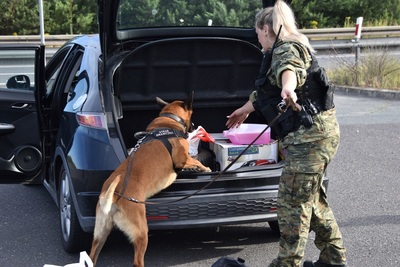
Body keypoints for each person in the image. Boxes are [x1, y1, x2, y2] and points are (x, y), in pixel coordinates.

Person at [225, 1, 347, 267]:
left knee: (292, 203)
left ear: (266, 29)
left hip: (309, 140)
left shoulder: (286, 48)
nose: (257, 39)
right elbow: (265, 92)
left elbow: (289, 71)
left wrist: (288, 88)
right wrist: (245, 109)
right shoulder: (287, 44)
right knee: (311, 200)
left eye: (257, 33)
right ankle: (333, 259)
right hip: (317, 136)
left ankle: (288, 263)